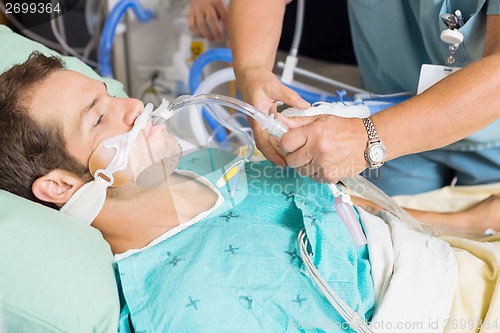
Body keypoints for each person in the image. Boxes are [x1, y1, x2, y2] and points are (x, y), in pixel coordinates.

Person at [0, 51, 498, 332]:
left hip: (456, 255)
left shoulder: (204, 167)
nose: (131, 105)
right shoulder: (185, 305)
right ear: (62, 186)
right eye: (98, 116)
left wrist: (464, 222)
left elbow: (348, 208)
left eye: (110, 95)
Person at [228, 0, 500, 196]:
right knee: (386, 240)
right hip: (387, 125)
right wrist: (252, 67)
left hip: (490, 134)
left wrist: (367, 139)